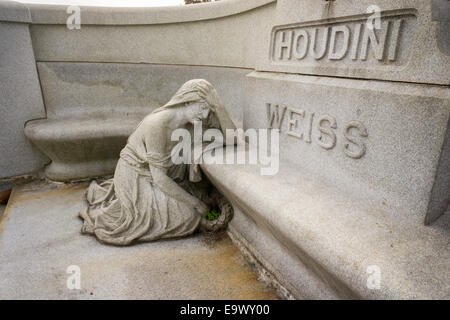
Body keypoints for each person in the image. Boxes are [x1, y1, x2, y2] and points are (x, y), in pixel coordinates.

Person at [79, 79, 236, 245]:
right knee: (190, 215)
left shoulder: (192, 123)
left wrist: (218, 106)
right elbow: (159, 178)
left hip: (162, 176)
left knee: (197, 202)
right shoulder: (158, 124)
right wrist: (196, 204)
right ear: (188, 101)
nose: (205, 115)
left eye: (208, 109)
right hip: (137, 175)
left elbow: (233, 139)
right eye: (203, 108)